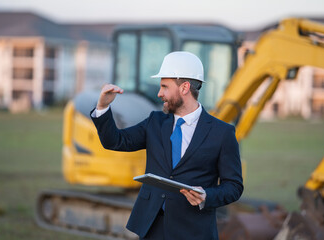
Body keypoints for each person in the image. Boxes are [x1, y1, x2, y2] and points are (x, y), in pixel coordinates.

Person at [90, 51, 243, 240]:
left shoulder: (222, 133)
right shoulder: (155, 121)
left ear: (184, 87)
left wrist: (207, 196)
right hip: (153, 226)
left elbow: (234, 186)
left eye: (164, 86)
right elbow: (115, 141)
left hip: (194, 230)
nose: (159, 93)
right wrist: (103, 108)